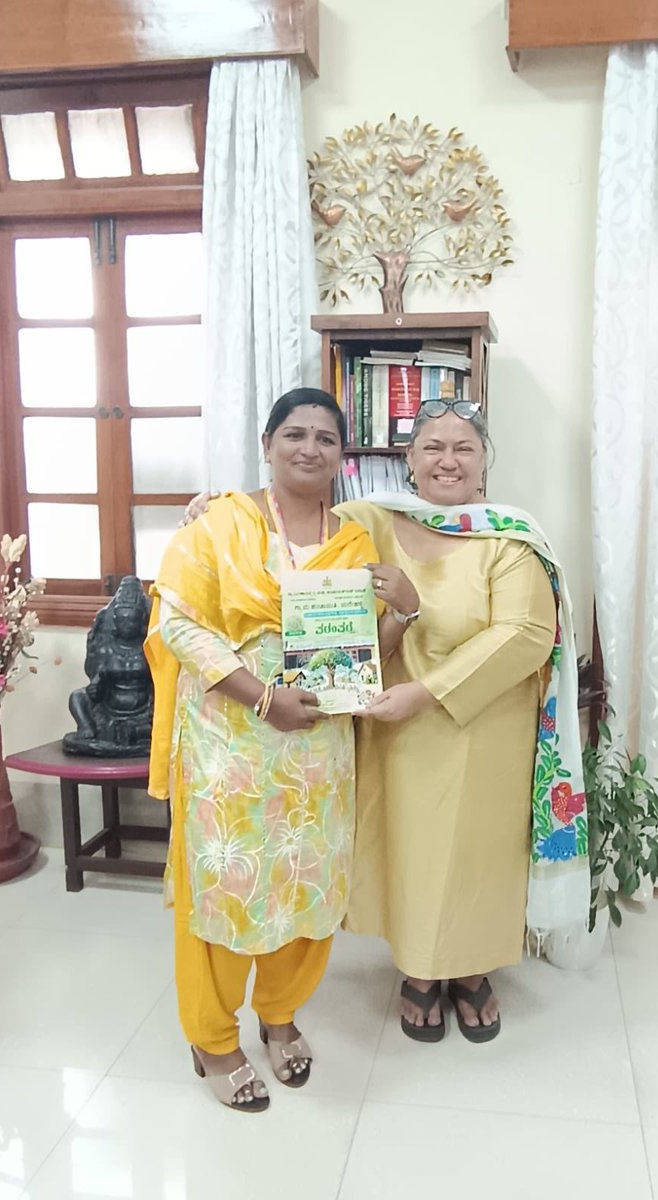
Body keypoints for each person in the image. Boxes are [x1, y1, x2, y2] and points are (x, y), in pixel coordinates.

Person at [145, 387, 419, 1111]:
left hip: (317, 751)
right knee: (226, 890)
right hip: (230, 745)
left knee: (306, 884)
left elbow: (361, 660)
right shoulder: (220, 525)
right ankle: (212, 1038)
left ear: (342, 456)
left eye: (325, 438)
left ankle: (280, 1013)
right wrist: (263, 698)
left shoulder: (354, 543)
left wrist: (406, 611)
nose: (309, 448)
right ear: (266, 445)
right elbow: (179, 625)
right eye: (294, 434)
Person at [336, 400, 588, 1043]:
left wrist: (427, 692)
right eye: (432, 447)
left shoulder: (509, 537)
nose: (447, 460)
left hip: (485, 731)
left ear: (483, 464)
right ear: (409, 459)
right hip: (393, 735)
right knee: (409, 851)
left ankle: (472, 968)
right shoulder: (368, 522)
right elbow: (294, 531)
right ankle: (419, 968)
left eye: (463, 448)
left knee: (477, 854)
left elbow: (526, 633)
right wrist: (220, 507)